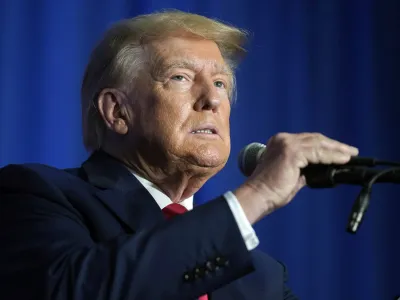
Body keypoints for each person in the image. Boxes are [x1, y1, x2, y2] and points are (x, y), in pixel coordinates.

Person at [0, 10, 359, 299]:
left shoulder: (260, 278)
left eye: (220, 83)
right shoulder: (35, 195)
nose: (213, 99)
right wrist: (258, 194)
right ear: (117, 111)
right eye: (181, 77)